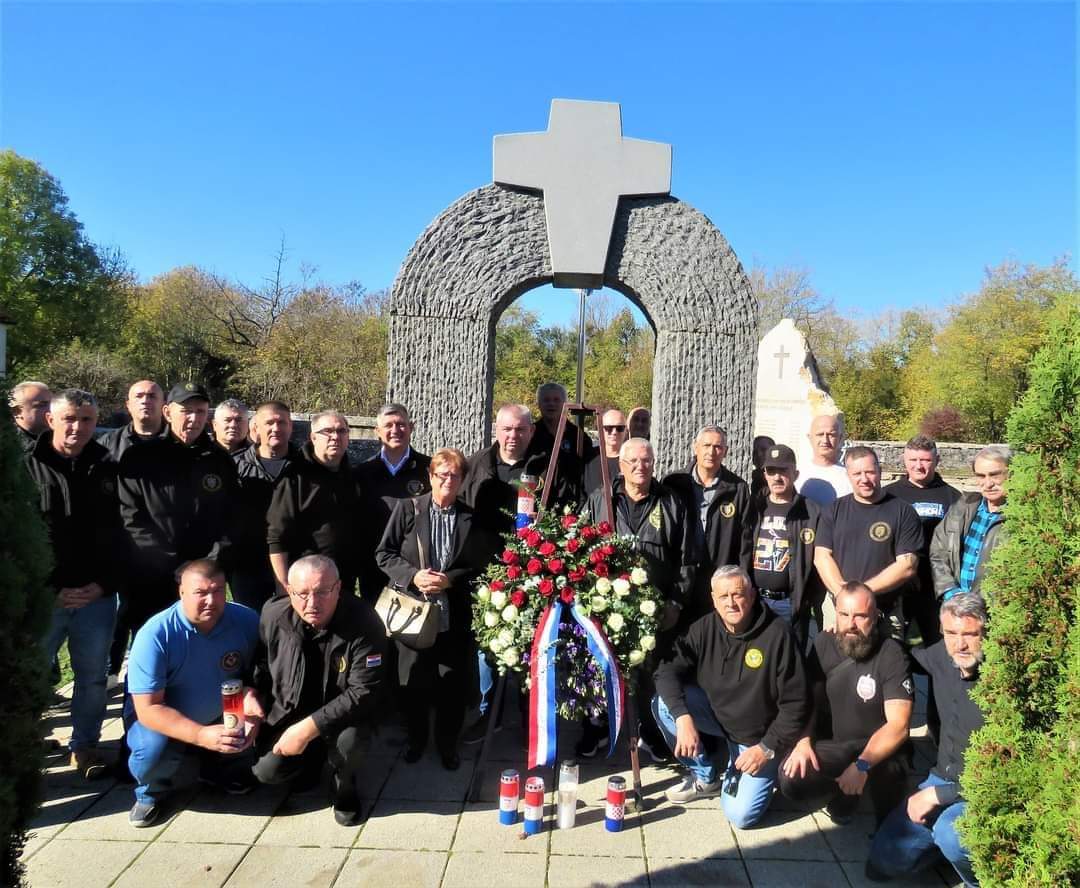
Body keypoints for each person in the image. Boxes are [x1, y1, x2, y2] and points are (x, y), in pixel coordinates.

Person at [652, 566, 808, 828]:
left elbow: (797, 705)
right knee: (664, 705)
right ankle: (706, 777)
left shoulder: (778, 635)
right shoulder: (703, 628)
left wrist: (766, 748)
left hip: (759, 739)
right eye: (723, 596)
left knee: (740, 815)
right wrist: (683, 718)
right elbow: (666, 669)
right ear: (713, 599)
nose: (731, 603)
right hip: (720, 719)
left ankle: (764, 764)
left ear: (752, 595)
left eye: (738, 594)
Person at [26, 389, 124, 779]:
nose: (77, 427)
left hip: (95, 595)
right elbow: (18, 537)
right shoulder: (26, 466)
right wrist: (48, 590)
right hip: (44, 598)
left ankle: (84, 747)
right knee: (31, 676)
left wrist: (104, 585)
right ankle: (26, 743)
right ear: (51, 420)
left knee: (93, 678)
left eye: (86, 420)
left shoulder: (108, 466)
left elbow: (123, 532)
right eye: (69, 418)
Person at [376, 448, 492, 770]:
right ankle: (416, 740)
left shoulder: (470, 517)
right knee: (414, 682)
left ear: (462, 479)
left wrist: (449, 580)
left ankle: (447, 745)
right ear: (430, 477)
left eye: (454, 475)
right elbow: (384, 554)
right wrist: (414, 576)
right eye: (442, 475)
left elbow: (478, 564)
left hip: (452, 616)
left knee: (451, 684)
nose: (448, 481)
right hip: (413, 613)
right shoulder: (408, 509)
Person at [125, 559, 261, 827]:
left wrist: (253, 696)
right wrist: (199, 735)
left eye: (218, 590)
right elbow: (148, 709)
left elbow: (261, 670)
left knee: (254, 737)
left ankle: (222, 767)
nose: (211, 600)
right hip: (164, 715)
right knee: (152, 749)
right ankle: (150, 791)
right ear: (182, 592)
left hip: (225, 709)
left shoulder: (246, 620)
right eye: (201, 593)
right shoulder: (155, 634)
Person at [252, 555, 386, 826]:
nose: (312, 603)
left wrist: (305, 730)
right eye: (302, 594)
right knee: (265, 772)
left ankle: (344, 785)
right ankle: (310, 763)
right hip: (291, 710)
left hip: (345, 716)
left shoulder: (365, 622)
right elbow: (261, 665)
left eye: (322, 592)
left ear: (338, 588)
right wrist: (250, 694)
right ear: (289, 591)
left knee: (350, 744)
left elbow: (363, 692)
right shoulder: (273, 615)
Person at [866, 593, 987, 886]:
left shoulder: (1000, 685)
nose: (960, 644)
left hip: (981, 791)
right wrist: (862, 628)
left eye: (971, 634)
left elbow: (1006, 776)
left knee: (949, 832)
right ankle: (943, 853)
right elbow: (901, 654)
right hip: (942, 777)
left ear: (986, 633)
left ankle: (982, 878)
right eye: (951, 633)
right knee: (882, 861)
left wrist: (937, 795)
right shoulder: (941, 657)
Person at [584, 437, 694, 758]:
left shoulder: (671, 503)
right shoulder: (601, 499)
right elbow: (581, 548)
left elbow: (688, 558)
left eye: (646, 460)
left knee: (649, 673)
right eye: (632, 461)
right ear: (621, 465)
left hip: (655, 609)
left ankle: (649, 730)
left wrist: (676, 602)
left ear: (654, 464)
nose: (640, 466)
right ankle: (598, 728)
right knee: (600, 668)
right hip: (607, 606)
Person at [779, 582, 913, 826]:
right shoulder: (823, 643)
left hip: (877, 749)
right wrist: (803, 741)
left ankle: (865, 792)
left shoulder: (891, 653)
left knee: (891, 811)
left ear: (875, 616)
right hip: (838, 746)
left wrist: (862, 765)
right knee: (792, 777)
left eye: (860, 616)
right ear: (836, 613)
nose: (851, 623)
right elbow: (807, 700)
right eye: (844, 614)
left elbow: (899, 726)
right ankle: (841, 790)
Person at [117, 382, 238, 635]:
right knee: (153, 645)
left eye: (200, 411)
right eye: (186, 411)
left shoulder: (219, 460)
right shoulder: (139, 458)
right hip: (152, 577)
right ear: (167, 412)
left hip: (205, 581)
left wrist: (209, 563)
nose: (193, 418)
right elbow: (132, 519)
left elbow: (232, 518)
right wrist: (174, 565)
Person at [814, 447, 922, 640]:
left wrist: (860, 594)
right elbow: (822, 557)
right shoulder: (833, 511)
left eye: (870, 472)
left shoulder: (903, 512)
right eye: (857, 474)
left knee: (889, 659)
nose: (864, 479)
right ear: (848, 475)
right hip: (840, 611)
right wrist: (844, 597)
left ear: (880, 471)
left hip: (886, 612)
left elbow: (907, 565)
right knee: (835, 658)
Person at [267, 410, 363, 596]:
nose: (335, 437)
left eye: (341, 431)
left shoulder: (353, 476)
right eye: (327, 431)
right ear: (313, 437)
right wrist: (283, 585)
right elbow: (277, 537)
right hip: (306, 584)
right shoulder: (294, 477)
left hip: (344, 582)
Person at [663, 425, 752, 623]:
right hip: (679, 578)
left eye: (718, 447)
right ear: (695, 447)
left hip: (718, 580)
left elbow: (745, 543)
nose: (711, 452)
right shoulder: (674, 484)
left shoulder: (737, 489)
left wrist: (740, 583)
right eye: (706, 445)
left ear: (725, 451)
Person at [742, 444, 821, 645]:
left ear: (795, 474)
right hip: (755, 599)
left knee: (790, 657)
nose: (777, 477)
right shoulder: (753, 507)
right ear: (764, 475)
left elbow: (819, 560)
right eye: (771, 471)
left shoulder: (811, 512)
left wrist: (807, 599)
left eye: (783, 470)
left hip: (791, 603)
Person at [885, 436, 960, 646]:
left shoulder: (954, 498)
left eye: (926, 460)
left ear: (937, 460)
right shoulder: (888, 495)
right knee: (893, 646)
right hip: (897, 586)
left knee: (938, 647)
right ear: (904, 460)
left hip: (935, 588)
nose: (919, 466)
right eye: (913, 460)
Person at [356, 404, 431, 601]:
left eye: (401, 424)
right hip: (373, 569)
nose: (395, 430)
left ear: (411, 427)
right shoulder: (362, 473)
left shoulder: (429, 470)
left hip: (415, 571)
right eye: (388, 425)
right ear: (377, 431)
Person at [231, 402, 300, 610]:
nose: (276, 428)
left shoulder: (306, 466)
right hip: (247, 563)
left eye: (282, 422)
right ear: (255, 428)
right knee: (250, 621)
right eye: (269, 423)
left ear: (291, 427)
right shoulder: (234, 466)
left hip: (296, 562)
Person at [930, 446, 1011, 602]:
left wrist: (979, 605)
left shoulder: (1022, 518)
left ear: (1010, 474)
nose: (988, 483)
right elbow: (938, 553)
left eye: (995, 475)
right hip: (956, 607)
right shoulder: (962, 507)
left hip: (996, 612)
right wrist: (951, 593)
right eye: (981, 476)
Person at [99, 380, 167, 460]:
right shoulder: (108, 443)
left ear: (163, 404)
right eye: (139, 396)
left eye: (152, 396)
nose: (145, 401)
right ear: (129, 405)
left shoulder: (176, 441)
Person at [529, 381, 595, 463]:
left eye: (556, 400)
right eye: (546, 400)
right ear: (538, 404)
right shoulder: (529, 434)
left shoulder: (579, 437)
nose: (551, 404)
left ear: (565, 404)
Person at [795, 414, 852, 507]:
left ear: (840, 438)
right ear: (810, 437)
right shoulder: (797, 475)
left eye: (831, 435)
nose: (825, 440)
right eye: (820, 434)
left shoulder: (850, 477)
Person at [582, 408, 626, 495]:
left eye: (619, 428)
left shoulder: (632, 460)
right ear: (600, 429)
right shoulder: (588, 457)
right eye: (609, 428)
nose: (614, 432)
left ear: (626, 430)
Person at [9, 379, 52, 452]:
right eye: (42, 405)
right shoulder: (8, 447)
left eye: (52, 403)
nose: (51, 409)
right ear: (17, 411)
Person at [749, 435, 776, 503]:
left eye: (764, 450)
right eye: (754, 452)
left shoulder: (781, 479)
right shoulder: (749, 477)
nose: (759, 454)